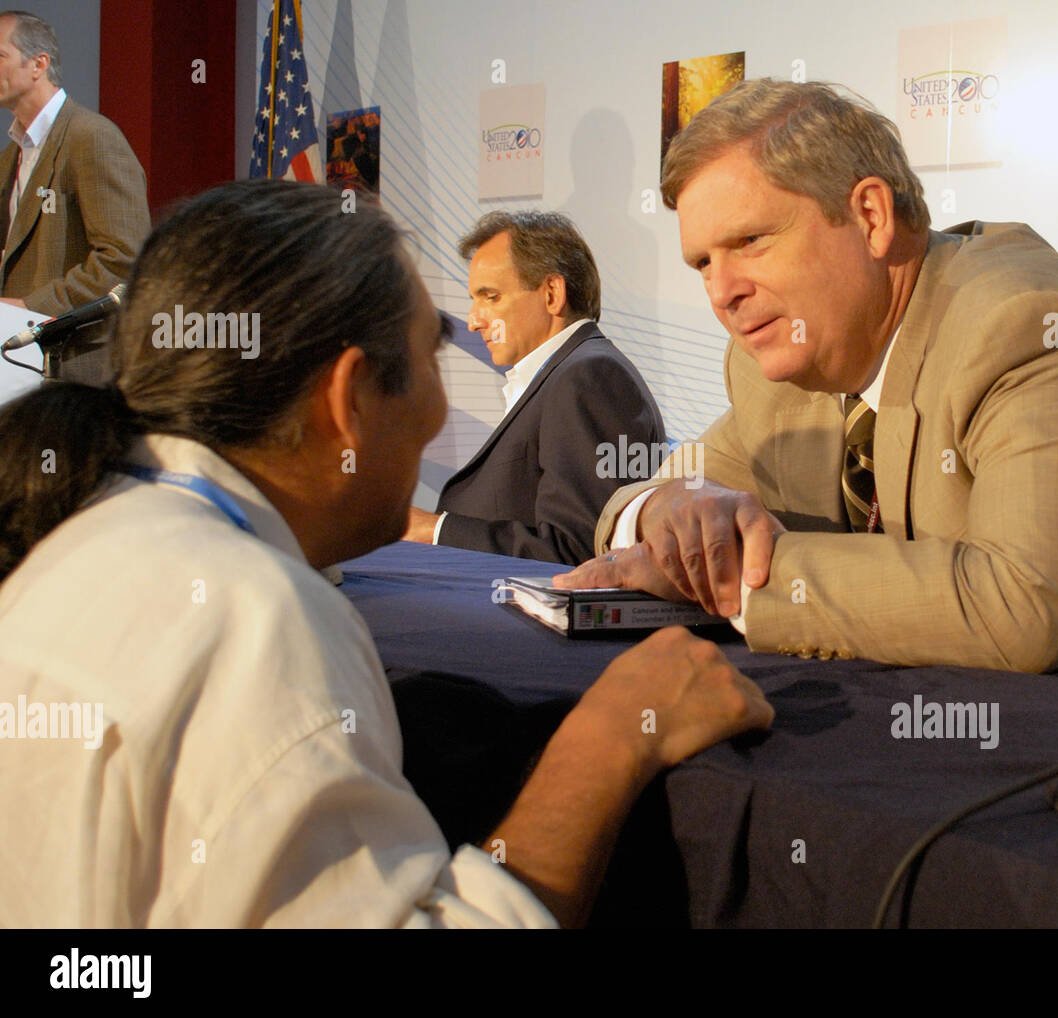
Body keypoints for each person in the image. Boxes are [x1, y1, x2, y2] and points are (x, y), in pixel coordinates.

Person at [0, 179, 772, 928]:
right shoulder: (256, 621)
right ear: (351, 397)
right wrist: (612, 735)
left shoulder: (78, 536)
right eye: (433, 355)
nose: (442, 407)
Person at [557, 78, 1058, 671]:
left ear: (872, 216)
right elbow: (670, 490)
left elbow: (1021, 609)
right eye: (703, 264)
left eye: (749, 241)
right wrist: (663, 516)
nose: (722, 292)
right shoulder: (778, 363)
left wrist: (727, 578)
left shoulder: (1035, 325)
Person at [403, 210, 666, 565]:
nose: (473, 321)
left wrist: (434, 530)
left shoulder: (589, 377)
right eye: (473, 299)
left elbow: (577, 551)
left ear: (552, 294)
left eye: (490, 297)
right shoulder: (565, 375)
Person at [0, 9, 150, 384]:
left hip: (79, 370)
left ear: (38, 64)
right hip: (23, 369)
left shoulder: (92, 138)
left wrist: (31, 310)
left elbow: (124, 261)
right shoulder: (11, 154)